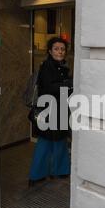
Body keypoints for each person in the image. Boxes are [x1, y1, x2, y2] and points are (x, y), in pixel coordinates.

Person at [28, 37, 73, 186]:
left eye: (62, 49)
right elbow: (49, 88)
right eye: (56, 49)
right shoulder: (47, 66)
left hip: (59, 109)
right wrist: (69, 84)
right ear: (49, 51)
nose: (60, 51)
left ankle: (59, 170)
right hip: (48, 111)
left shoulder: (61, 66)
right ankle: (36, 175)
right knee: (45, 142)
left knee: (59, 141)